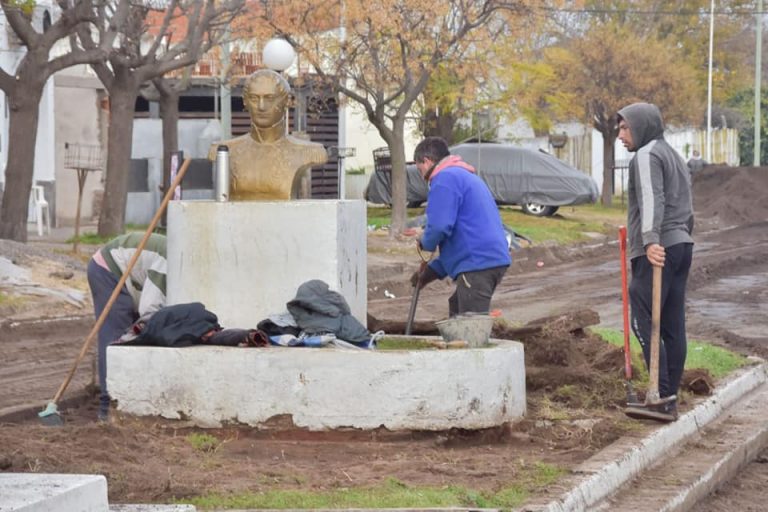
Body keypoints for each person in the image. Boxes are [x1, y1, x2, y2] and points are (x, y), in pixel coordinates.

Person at [617, 103, 694, 422]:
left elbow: (653, 198)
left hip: (659, 247)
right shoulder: (672, 154)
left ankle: (658, 395)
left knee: (644, 316)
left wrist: (650, 241)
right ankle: (669, 398)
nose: (620, 135)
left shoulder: (647, 154)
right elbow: (687, 203)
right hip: (681, 245)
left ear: (642, 126)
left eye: (625, 128)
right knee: (673, 325)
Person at [409, 136, 511, 317]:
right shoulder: (462, 176)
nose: (421, 176)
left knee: (470, 326)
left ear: (426, 161)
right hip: (487, 259)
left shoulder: (444, 178)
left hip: (477, 264)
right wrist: (430, 273)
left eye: (419, 169)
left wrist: (425, 242)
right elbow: (460, 240)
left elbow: (439, 227)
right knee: (457, 308)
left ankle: (473, 344)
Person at [208, 69, 327, 200]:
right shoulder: (224, 151)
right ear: (245, 102)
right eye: (254, 98)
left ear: (286, 101)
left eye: (269, 98)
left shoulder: (309, 151)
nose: (261, 106)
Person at [87, 232, 167, 421]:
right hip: (108, 269)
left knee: (133, 336)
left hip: (133, 279)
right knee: (116, 339)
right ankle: (108, 406)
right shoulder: (169, 260)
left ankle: (129, 396)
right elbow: (149, 310)